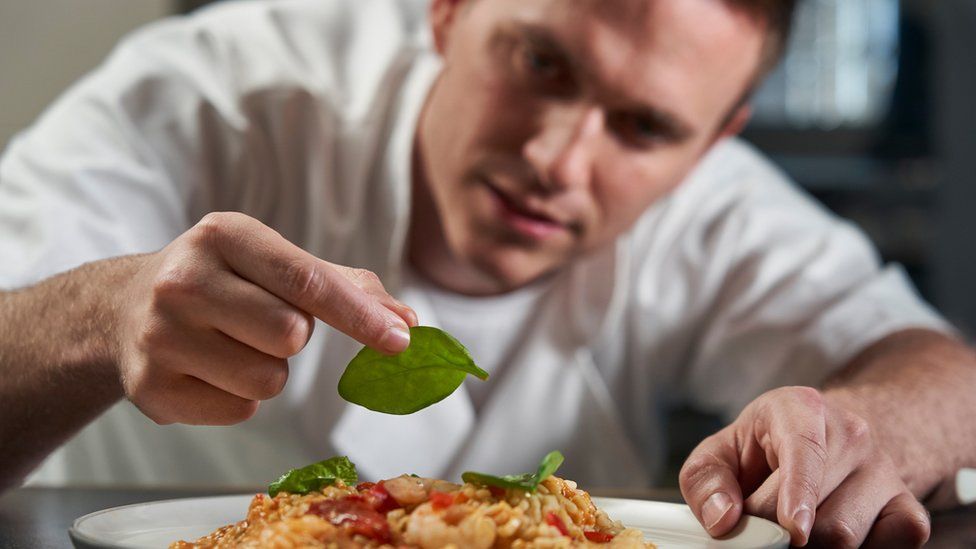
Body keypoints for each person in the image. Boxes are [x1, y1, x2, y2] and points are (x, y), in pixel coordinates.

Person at [1, 0, 973, 545]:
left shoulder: (716, 205)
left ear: (714, 141)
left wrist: (866, 426)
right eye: (542, 64)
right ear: (448, 11)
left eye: (643, 128)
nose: (560, 158)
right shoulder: (207, 91)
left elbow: (946, 377)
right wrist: (101, 315)